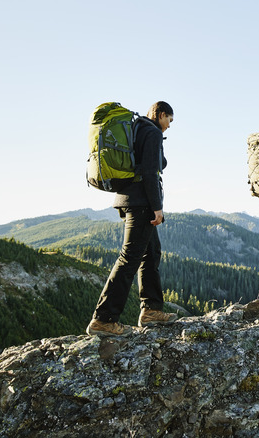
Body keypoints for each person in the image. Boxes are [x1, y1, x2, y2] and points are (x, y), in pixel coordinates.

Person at [86, 101, 177, 337]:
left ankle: (151, 310)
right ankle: (104, 319)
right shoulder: (152, 132)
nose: (169, 126)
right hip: (141, 203)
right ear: (160, 114)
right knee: (129, 259)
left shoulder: (137, 129)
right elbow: (150, 171)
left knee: (152, 252)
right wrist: (157, 207)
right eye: (169, 119)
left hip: (128, 199)